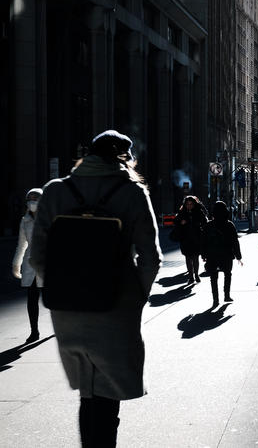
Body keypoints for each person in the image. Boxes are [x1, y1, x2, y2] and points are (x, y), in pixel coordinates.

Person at [29, 130, 162, 447]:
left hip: (68, 307)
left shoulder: (55, 191)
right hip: (115, 304)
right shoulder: (131, 192)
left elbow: (37, 256)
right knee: (108, 389)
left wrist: (63, 287)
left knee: (87, 390)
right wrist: (135, 296)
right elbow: (151, 258)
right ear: (122, 158)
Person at [11, 188, 44, 343]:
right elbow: (21, 244)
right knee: (32, 299)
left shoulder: (49, 218)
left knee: (51, 299)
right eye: (30, 199)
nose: (32, 202)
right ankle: (34, 331)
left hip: (47, 262)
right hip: (30, 264)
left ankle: (58, 327)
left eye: (35, 198)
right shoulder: (24, 221)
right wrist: (16, 264)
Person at [202, 201, 243, 307]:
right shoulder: (229, 225)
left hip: (212, 254)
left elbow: (204, 241)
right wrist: (238, 256)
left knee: (213, 277)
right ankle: (227, 295)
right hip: (226, 254)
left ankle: (215, 299)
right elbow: (235, 241)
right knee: (227, 274)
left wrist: (204, 255)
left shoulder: (209, 225)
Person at [174, 195, 208, 284]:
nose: (189, 206)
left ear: (194, 204)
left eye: (191, 204)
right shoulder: (182, 213)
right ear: (185, 205)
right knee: (188, 258)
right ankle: (190, 276)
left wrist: (199, 226)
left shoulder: (199, 212)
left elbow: (205, 222)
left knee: (195, 257)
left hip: (196, 238)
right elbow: (176, 223)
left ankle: (196, 274)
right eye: (187, 204)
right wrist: (181, 223)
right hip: (185, 239)